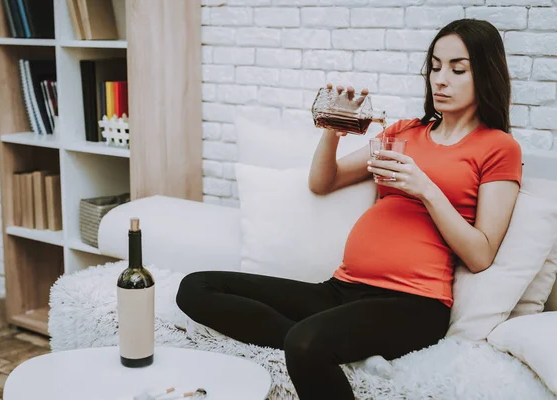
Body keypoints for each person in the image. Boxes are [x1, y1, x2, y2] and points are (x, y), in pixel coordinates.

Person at [176, 18, 522, 400]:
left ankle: (319, 342)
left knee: (306, 344)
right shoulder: (404, 132)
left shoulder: (498, 147)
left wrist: (425, 188)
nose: (440, 79)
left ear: (485, 73)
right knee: (195, 287)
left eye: (457, 69)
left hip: (413, 303)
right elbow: (324, 182)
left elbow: (481, 254)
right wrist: (332, 130)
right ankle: (338, 346)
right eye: (435, 66)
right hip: (342, 289)